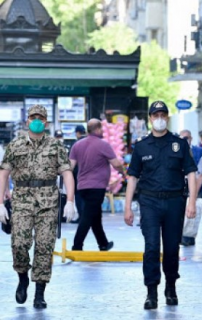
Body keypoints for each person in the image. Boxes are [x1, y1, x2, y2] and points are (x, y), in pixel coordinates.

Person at [0, 105, 75, 309]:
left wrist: (70, 200)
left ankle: (39, 293)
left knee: (44, 246)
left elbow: (67, 172)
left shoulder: (56, 146)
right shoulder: (15, 146)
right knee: (19, 244)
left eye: (40, 117)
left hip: (48, 202)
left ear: (46, 122)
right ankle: (23, 276)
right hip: (22, 200)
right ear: (27, 121)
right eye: (33, 117)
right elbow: (4, 173)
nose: (36, 120)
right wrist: (0, 203)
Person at [124, 100, 197, 310]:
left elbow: (191, 173)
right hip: (150, 202)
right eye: (155, 115)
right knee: (152, 247)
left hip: (175, 201)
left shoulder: (179, 144)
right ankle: (151, 291)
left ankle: (171, 287)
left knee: (172, 248)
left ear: (167, 117)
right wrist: (128, 206)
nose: (159, 119)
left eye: (163, 115)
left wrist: (192, 201)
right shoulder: (141, 145)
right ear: (150, 119)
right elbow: (132, 177)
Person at [69, 119, 124, 251]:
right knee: (87, 216)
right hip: (97, 187)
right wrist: (123, 172)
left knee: (95, 216)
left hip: (81, 186)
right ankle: (77, 245)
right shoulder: (103, 145)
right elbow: (116, 164)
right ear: (99, 129)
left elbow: (70, 166)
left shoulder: (77, 145)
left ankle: (103, 243)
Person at [179, 129, 202, 246]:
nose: (185, 140)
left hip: (195, 183)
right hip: (179, 185)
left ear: (191, 138)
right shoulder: (175, 150)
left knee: (194, 209)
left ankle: (190, 235)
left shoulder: (199, 151)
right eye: (183, 138)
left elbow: (200, 169)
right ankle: (181, 235)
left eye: (187, 138)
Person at [71, 125, 87, 224]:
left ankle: (81, 217)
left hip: (78, 174)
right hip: (89, 173)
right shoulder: (91, 143)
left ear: (77, 133)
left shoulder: (76, 144)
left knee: (78, 196)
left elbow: (72, 162)